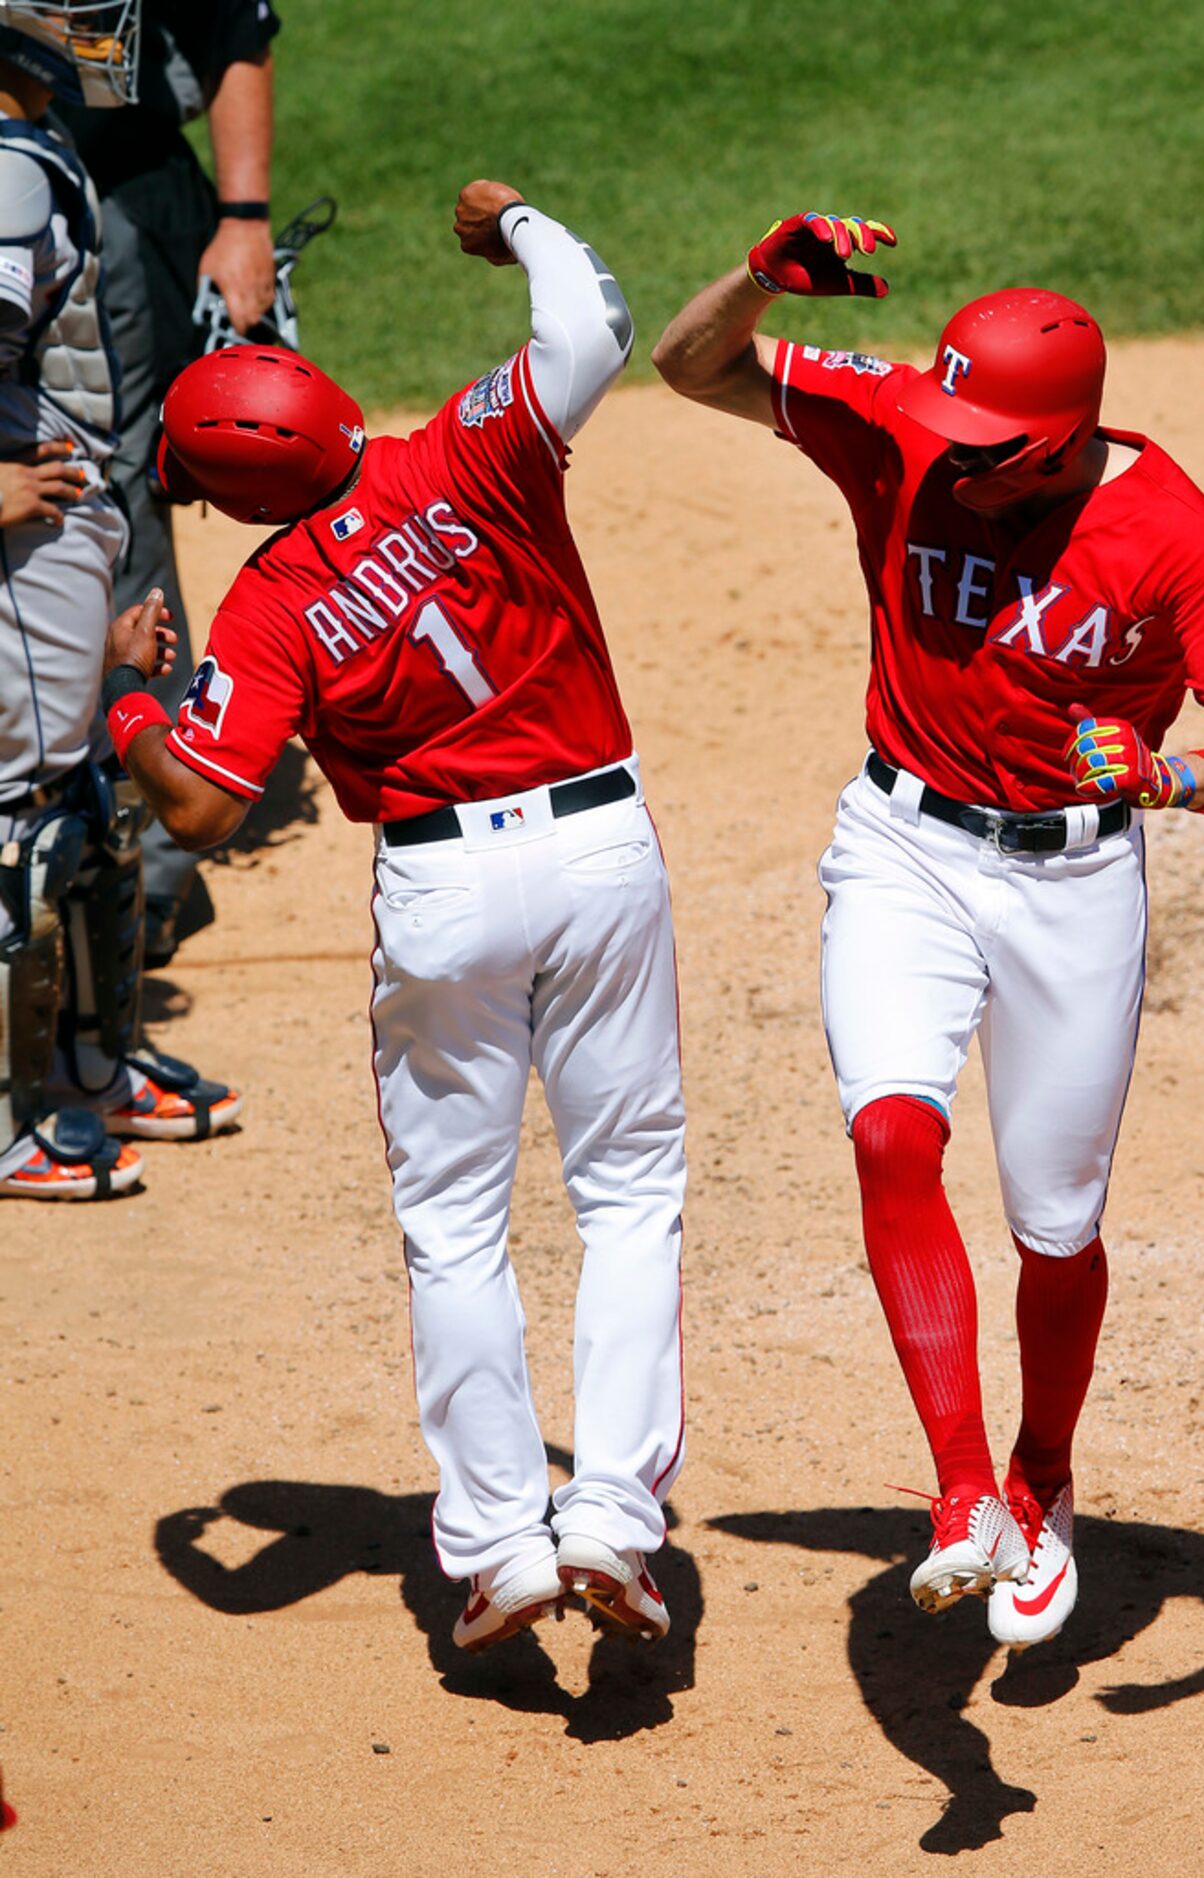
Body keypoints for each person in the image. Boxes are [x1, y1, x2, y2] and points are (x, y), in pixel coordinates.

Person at [654, 212, 1204, 1650]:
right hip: (901, 846)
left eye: (983, 437)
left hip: (1074, 889)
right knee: (891, 1130)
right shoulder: (908, 424)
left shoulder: (1175, 535)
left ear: (1059, 438)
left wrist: (1172, 774)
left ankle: (1045, 1471)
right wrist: (765, 277)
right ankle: (965, 1492)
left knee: (1055, 1225)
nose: (945, 451)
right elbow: (691, 365)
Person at [101, 181, 688, 1652]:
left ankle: (499, 1547)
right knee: (627, 1195)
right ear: (328, 401)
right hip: (601, 842)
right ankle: (612, 1515)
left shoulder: (267, 601)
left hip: (444, 889)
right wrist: (521, 221)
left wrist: (128, 704)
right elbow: (595, 325)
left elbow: (203, 807)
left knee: (454, 1228)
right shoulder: (467, 448)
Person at [0, 0, 240, 1203]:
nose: (82, 19)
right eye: (49, 7)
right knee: (27, 821)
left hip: (73, 512)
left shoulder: (39, 153)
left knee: (90, 808)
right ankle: (9, 1118)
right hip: (24, 520)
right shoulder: (5, 173)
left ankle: (94, 1068)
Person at [58, 0, 281, 966]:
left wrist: (243, 218)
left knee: (110, 509)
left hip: (117, 210)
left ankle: (141, 863)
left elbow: (235, 25)